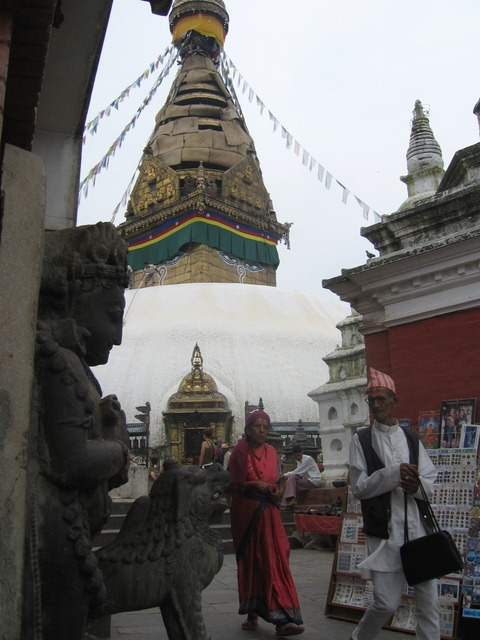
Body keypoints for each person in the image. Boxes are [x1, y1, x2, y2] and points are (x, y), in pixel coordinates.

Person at [349, 368, 439, 640]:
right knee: (385, 603)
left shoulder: (411, 438)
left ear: (394, 401)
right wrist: (392, 475)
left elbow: (430, 482)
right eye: (371, 400)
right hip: (387, 536)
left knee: (429, 605)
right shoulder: (361, 440)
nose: (376, 404)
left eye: (381, 399)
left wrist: (417, 487)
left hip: (418, 533)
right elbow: (359, 487)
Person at [227, 410, 304, 637]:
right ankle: (265, 614)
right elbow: (236, 484)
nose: (261, 430)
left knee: (275, 557)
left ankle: (281, 615)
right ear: (248, 430)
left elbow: (278, 480)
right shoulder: (239, 453)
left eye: (265, 427)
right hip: (248, 512)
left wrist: (277, 491)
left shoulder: (272, 452)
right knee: (253, 562)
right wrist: (256, 486)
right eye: (257, 426)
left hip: (269, 510)